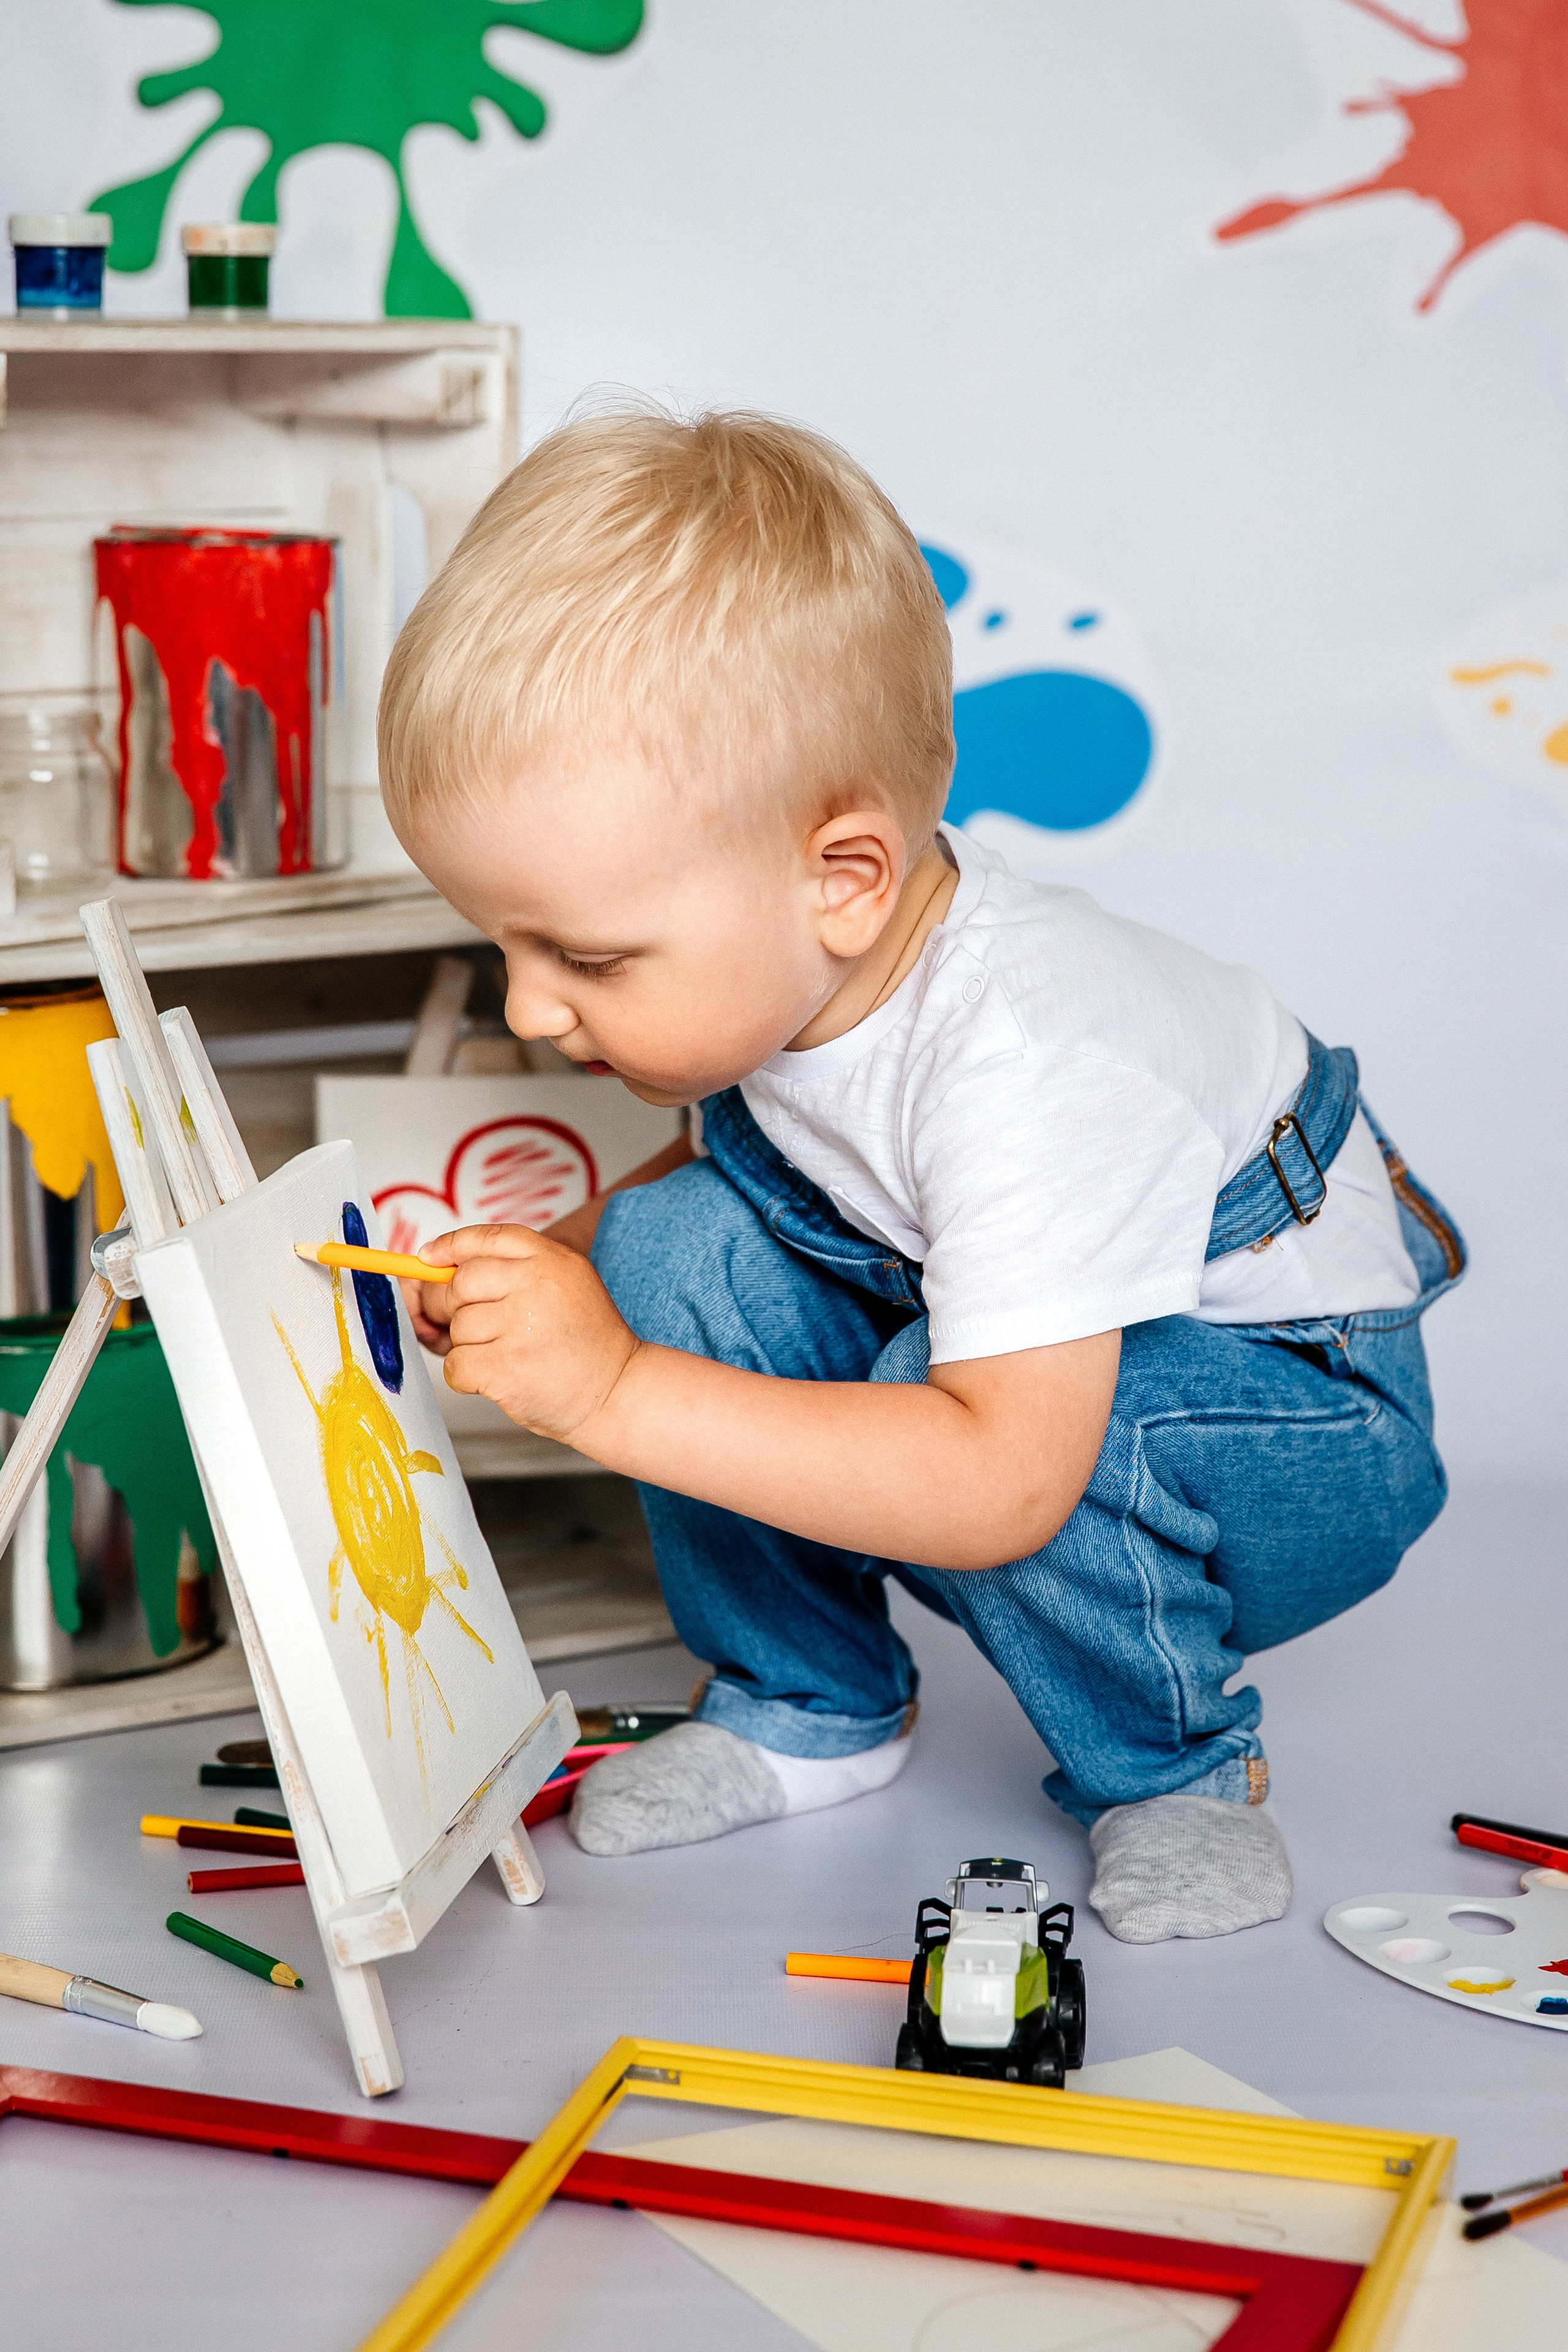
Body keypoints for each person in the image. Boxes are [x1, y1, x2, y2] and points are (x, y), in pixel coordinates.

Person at [379, 408, 1464, 1943]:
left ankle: (1170, 1767)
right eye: (502, 942)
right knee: (669, 1246)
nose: (528, 1010)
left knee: (939, 1382)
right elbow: (762, 1185)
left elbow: (1002, 1479)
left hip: (1294, 1429)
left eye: (586, 956)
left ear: (843, 876)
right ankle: (806, 1703)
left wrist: (609, 1391)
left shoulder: (1031, 1063)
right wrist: (564, 1268)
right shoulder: (791, 967)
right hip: (1018, 1365)